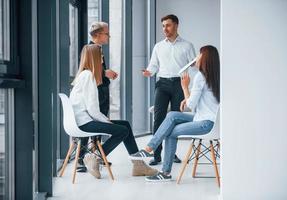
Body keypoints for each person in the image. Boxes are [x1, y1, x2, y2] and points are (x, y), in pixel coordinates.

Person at [131, 45, 220, 182]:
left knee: (170, 131)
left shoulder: (200, 77)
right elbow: (197, 102)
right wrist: (187, 97)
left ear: (205, 58)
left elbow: (190, 106)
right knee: (172, 115)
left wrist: (184, 87)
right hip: (207, 120)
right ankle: (150, 149)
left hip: (204, 124)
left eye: (199, 54)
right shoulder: (214, 76)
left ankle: (164, 170)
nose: (196, 57)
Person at [70, 44, 157, 179]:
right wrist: (106, 120)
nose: (103, 61)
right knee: (122, 130)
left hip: (84, 120)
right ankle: (96, 157)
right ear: (95, 58)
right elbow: (92, 109)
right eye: (101, 57)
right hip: (85, 123)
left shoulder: (84, 74)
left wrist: (106, 120)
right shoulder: (88, 76)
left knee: (125, 125)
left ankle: (138, 165)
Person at [142, 14, 196, 166]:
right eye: (163, 26)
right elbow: (153, 66)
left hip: (179, 84)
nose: (165, 28)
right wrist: (148, 72)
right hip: (162, 84)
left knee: (175, 120)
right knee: (158, 118)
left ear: (176, 25)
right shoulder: (158, 46)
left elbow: (194, 64)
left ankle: (171, 154)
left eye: (168, 25)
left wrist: (198, 64)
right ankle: (156, 155)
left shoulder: (187, 45)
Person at [77, 22, 118, 172]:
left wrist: (105, 73)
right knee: (90, 124)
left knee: (98, 130)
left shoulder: (98, 50)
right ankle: (82, 160)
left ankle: (96, 157)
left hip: (101, 93)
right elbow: (88, 72)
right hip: (94, 95)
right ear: (97, 35)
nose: (109, 36)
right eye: (106, 34)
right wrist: (105, 73)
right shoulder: (89, 50)